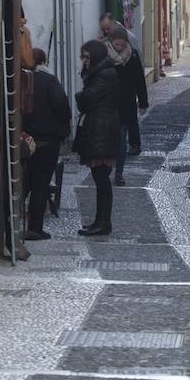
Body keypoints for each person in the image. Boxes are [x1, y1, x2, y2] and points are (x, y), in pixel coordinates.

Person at [74, 40, 122, 236]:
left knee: (102, 179)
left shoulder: (104, 75)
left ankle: (103, 223)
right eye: (82, 57)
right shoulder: (101, 73)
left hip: (102, 130)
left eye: (87, 57)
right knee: (99, 179)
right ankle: (100, 220)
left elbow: (88, 99)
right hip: (100, 128)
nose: (84, 61)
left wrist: (79, 95)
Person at [21, 49, 70, 241]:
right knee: (41, 184)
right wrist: (63, 127)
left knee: (24, 183)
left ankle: (8, 222)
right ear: (45, 61)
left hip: (25, 139)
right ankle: (35, 227)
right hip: (47, 140)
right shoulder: (49, 81)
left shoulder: (20, 80)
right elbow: (61, 105)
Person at [106, 25, 149, 186]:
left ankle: (119, 173)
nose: (120, 48)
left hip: (126, 104)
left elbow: (139, 80)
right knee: (110, 139)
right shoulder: (104, 56)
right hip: (108, 105)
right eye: (117, 45)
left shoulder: (133, 56)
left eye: (122, 45)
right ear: (111, 43)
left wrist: (143, 102)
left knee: (122, 140)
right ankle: (108, 168)